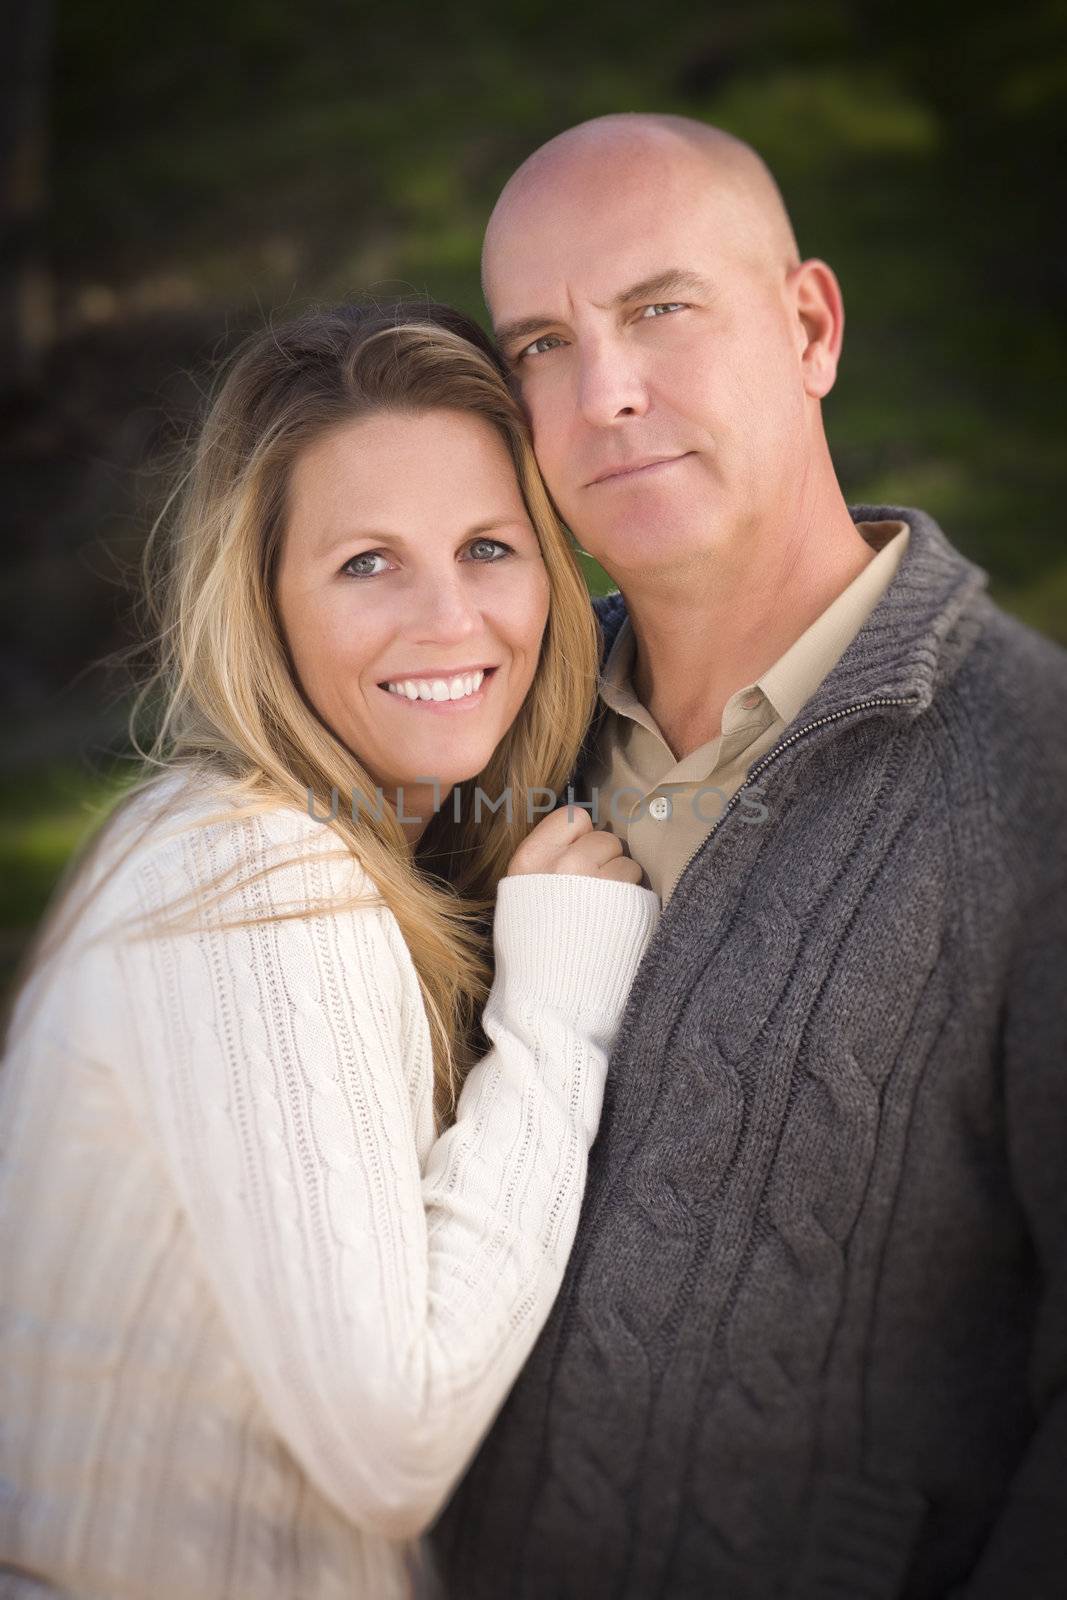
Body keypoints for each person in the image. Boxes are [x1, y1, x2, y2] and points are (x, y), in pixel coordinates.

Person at [431, 114, 1067, 1599]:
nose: (606, 394)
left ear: (809, 326)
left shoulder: (1038, 778)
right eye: (538, 345)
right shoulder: (477, 739)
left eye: (659, 309)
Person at [0, 304, 662, 1600]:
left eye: (488, 546)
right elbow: (395, 1446)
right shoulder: (251, 877)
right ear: (264, 600)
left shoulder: (328, 846)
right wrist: (559, 1009)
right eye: (367, 563)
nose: (448, 617)